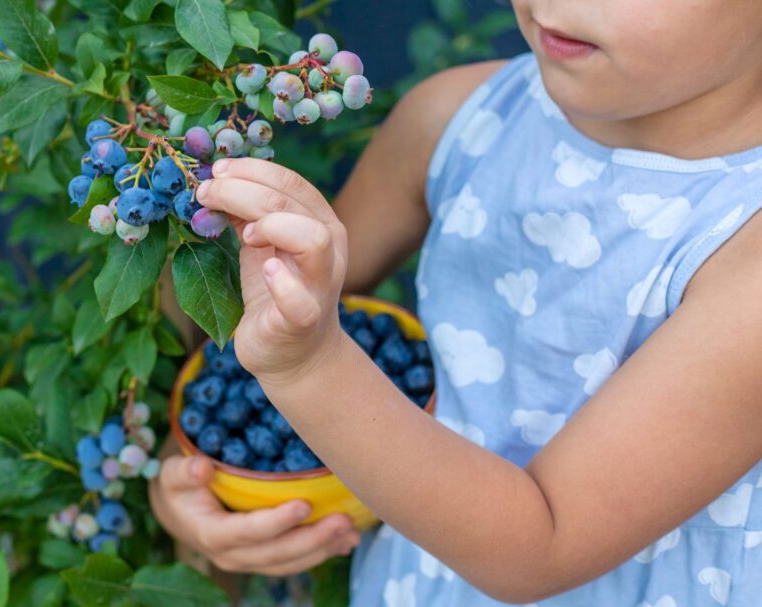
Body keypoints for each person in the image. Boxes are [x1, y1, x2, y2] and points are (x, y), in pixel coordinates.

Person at [151, 1, 762, 604]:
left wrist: (309, 369)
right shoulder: (453, 118)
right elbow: (266, 330)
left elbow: (543, 545)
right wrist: (193, 478)